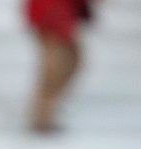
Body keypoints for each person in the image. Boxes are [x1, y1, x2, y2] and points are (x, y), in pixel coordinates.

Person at [26, 0, 94, 133]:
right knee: (56, 64)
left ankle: (44, 110)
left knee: (70, 59)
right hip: (51, 12)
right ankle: (42, 113)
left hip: (60, 12)